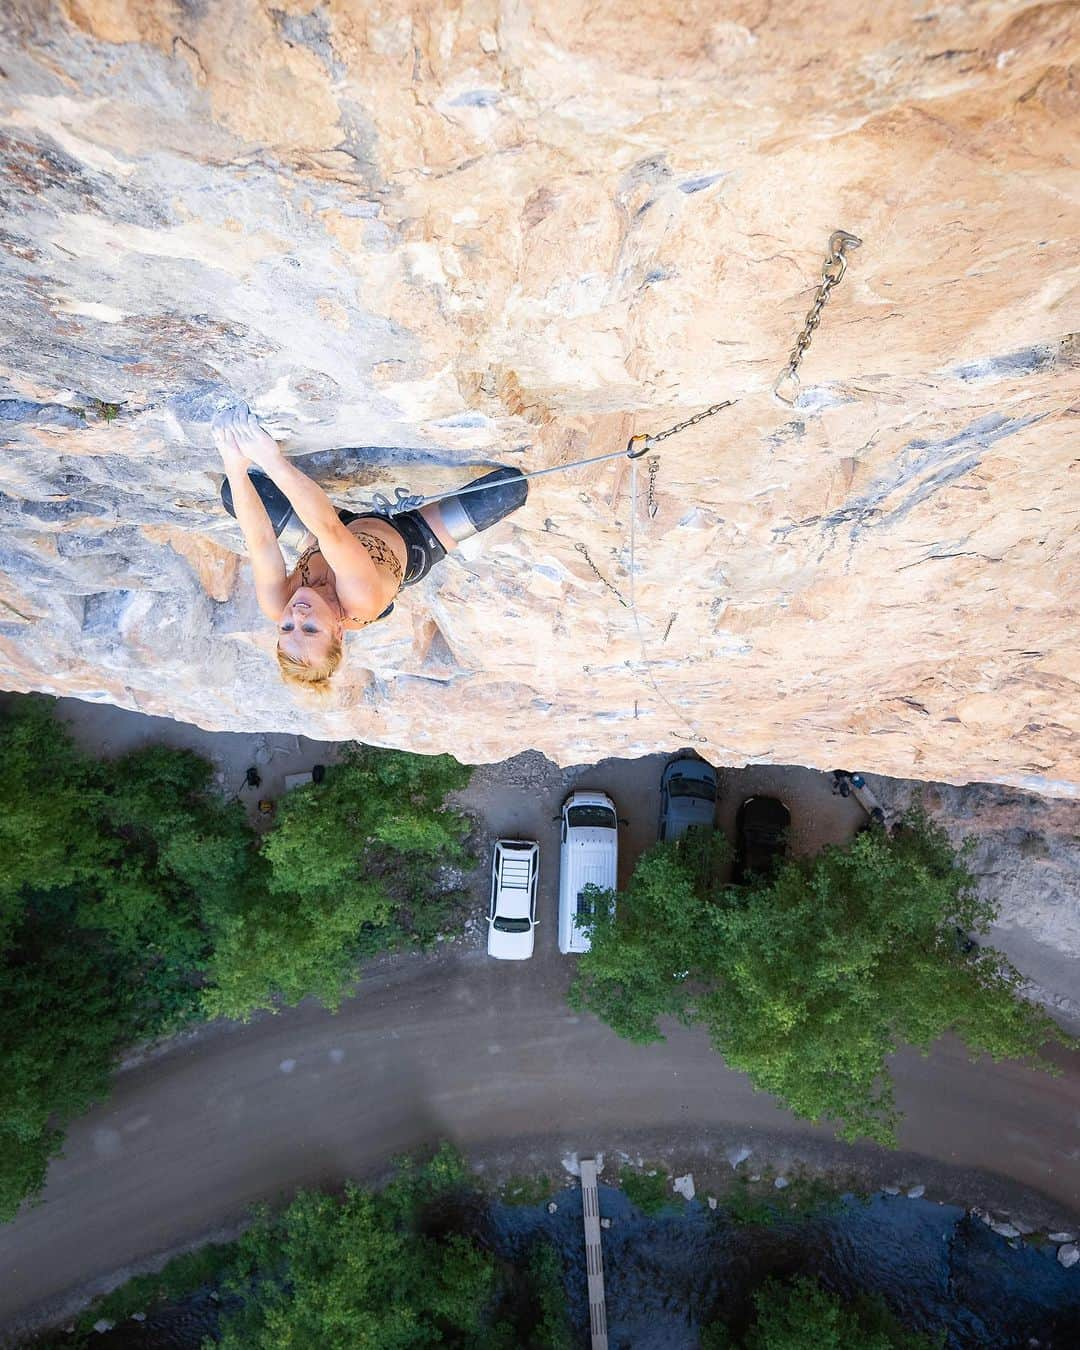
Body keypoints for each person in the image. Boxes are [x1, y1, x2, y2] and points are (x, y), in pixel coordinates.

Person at [212, 406, 527, 690]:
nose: (296, 613)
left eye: (287, 627)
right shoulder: (360, 601)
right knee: (508, 489)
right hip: (411, 538)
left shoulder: (277, 604)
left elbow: (261, 541)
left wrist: (233, 463)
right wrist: (269, 457)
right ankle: (386, 595)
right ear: (338, 632)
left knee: (235, 492)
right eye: (309, 629)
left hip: (324, 537)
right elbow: (330, 532)